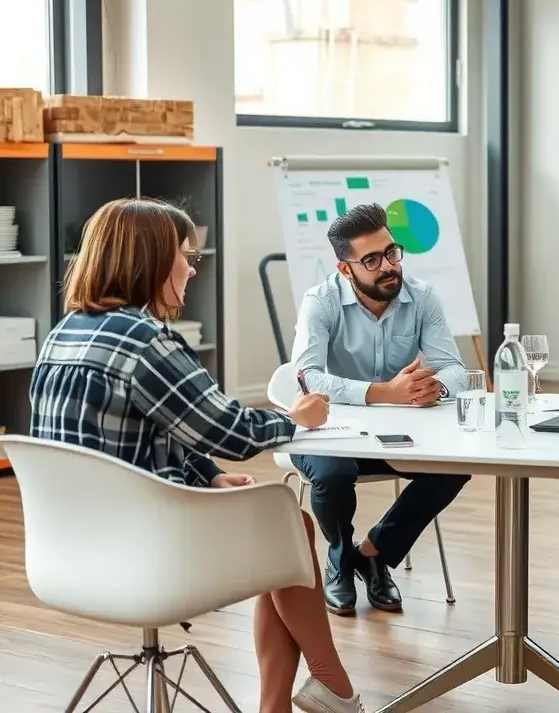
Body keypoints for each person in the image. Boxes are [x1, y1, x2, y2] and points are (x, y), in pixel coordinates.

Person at [28, 198, 362, 713]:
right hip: (147, 556)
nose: (191, 268)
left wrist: (206, 475)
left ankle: (298, 698)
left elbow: (127, 441)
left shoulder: (62, 334)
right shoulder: (143, 340)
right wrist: (298, 418)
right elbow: (230, 432)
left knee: (277, 525)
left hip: (68, 556)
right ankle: (332, 686)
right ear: (152, 261)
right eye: (186, 256)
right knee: (288, 525)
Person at [290, 203, 470, 616]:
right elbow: (308, 377)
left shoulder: (422, 297)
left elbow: (456, 369)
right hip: (330, 431)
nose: (388, 266)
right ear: (345, 269)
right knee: (333, 474)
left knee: (456, 466)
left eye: (391, 252)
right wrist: (385, 392)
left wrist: (436, 386)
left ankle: (373, 553)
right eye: (371, 260)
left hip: (402, 432)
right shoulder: (320, 301)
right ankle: (339, 559)